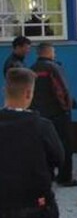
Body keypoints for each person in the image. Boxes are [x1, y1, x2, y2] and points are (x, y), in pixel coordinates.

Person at [0, 68, 64, 218]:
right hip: (36, 202)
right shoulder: (42, 126)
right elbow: (59, 158)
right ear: (29, 93)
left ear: (5, 90)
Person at [30, 43, 77, 187]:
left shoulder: (32, 69)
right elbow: (62, 89)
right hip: (57, 113)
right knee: (64, 145)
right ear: (50, 52)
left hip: (39, 114)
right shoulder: (53, 68)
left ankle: (48, 174)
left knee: (44, 146)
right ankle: (65, 177)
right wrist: (67, 107)